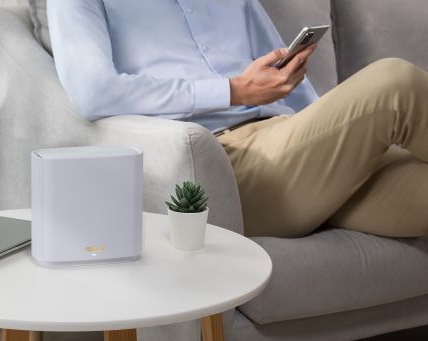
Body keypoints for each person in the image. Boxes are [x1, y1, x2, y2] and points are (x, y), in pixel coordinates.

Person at [48, 0, 428, 238]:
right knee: (395, 81)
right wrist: (233, 91)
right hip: (227, 163)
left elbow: (288, 80)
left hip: (293, 144)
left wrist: (338, 136)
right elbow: (94, 93)